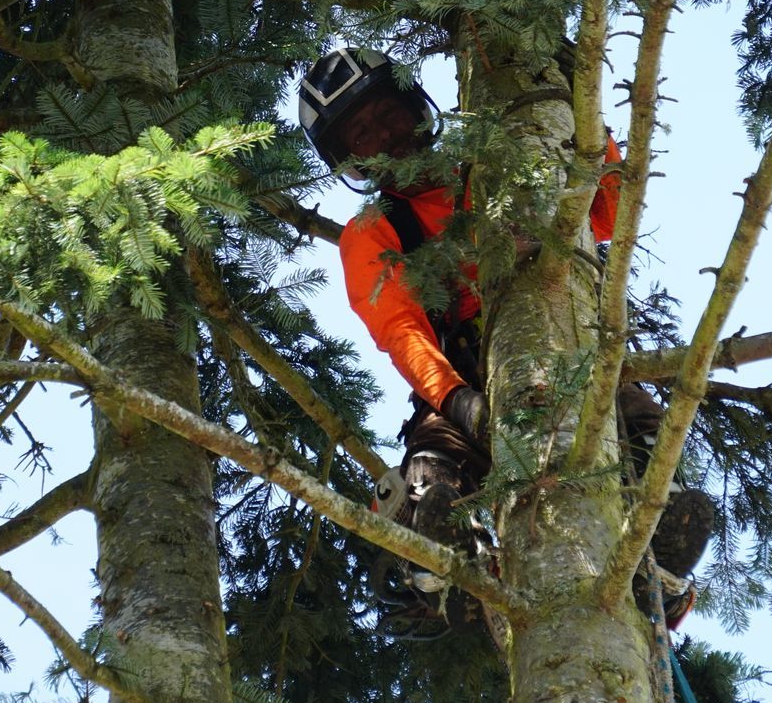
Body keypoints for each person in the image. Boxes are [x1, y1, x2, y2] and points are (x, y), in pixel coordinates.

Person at [299, 48, 714, 635]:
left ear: (414, 105)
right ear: (350, 160)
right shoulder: (377, 230)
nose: (384, 136)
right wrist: (456, 398)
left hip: (571, 333)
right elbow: (401, 328)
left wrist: (584, 116)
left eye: (386, 113)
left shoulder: (502, 161)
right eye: (361, 134)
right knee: (433, 467)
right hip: (462, 367)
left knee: (636, 426)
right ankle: (430, 571)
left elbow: (609, 211)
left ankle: (658, 552)